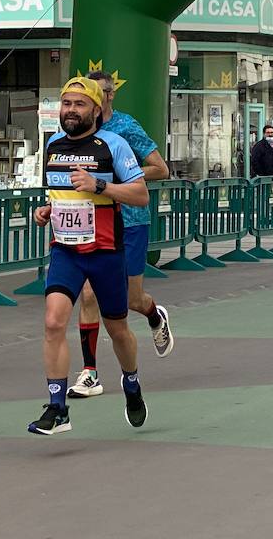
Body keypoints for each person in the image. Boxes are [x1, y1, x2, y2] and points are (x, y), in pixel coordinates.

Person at [30, 77, 151, 435]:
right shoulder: (53, 144)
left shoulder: (112, 144)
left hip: (105, 252)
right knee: (53, 322)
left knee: (118, 330)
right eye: (66, 103)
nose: (70, 110)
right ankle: (57, 407)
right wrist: (47, 210)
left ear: (96, 110)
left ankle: (131, 382)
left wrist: (100, 185)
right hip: (66, 251)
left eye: (79, 104)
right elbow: (57, 195)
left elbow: (141, 194)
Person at [67, 71, 174, 401]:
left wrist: (118, 178)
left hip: (129, 221)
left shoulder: (125, 128)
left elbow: (161, 168)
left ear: (108, 98)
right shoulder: (72, 131)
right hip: (92, 224)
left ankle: (155, 314)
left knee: (130, 299)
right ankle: (89, 373)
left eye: (94, 96)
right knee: (87, 294)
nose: (87, 103)